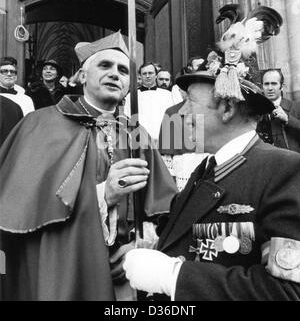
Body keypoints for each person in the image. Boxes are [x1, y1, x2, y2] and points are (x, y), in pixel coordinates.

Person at [0, 31, 177, 301]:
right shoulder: (39, 125)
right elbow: (22, 207)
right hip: (64, 262)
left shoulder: (135, 132)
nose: (115, 74)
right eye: (104, 66)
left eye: (123, 70)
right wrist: (104, 194)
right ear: (82, 76)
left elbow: (162, 206)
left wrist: (141, 241)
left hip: (126, 270)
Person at [123, 54, 300, 300]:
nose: (181, 113)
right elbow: (187, 232)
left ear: (227, 108)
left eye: (191, 103)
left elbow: (286, 292)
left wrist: (174, 277)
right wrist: (151, 241)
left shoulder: (285, 170)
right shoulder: (207, 167)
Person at [124, 62, 175, 142]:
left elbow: (172, 118)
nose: (147, 76)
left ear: (156, 75)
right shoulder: (131, 96)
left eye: (150, 73)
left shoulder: (167, 95)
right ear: (140, 76)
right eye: (144, 73)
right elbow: (128, 120)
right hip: (140, 141)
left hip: (163, 140)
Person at [257, 68, 300, 152]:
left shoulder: (297, 107)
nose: (270, 88)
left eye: (274, 83)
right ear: (262, 87)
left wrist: (288, 119)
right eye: (266, 84)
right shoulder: (256, 112)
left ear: (282, 86)